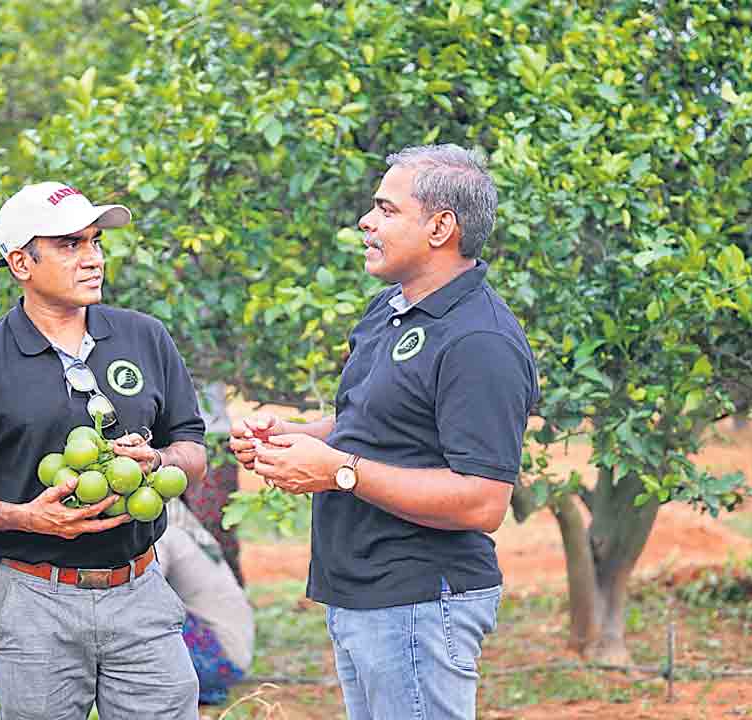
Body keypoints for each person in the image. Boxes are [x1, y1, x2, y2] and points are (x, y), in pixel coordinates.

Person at [229, 144, 538, 720]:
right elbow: (365, 424)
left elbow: (482, 501)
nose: (366, 222)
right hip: (361, 590)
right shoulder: (388, 309)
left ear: (441, 227)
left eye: (386, 209)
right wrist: (294, 433)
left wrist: (338, 471)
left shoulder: (480, 342)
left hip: (420, 600)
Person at [0, 181, 207, 719]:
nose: (93, 258)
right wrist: (24, 518)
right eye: (70, 245)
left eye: (95, 242)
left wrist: (160, 462)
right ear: (21, 263)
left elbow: (191, 447)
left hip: (139, 589)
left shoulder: (146, 338)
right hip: (33, 601)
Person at [155, 498, 254, 705]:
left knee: (139, 616)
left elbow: (143, 594)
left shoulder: (164, 536)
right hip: (229, 657)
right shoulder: (183, 530)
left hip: (217, 659)